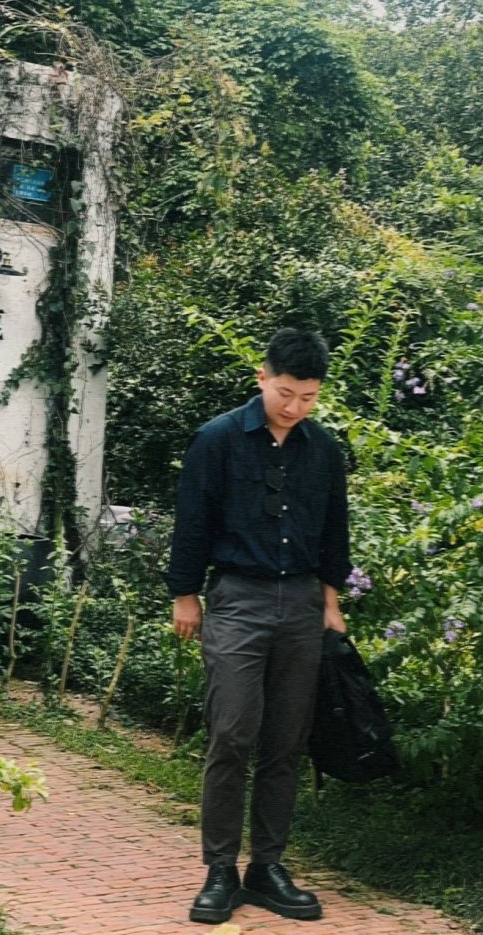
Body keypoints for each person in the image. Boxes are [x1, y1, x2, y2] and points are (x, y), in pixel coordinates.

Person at [166, 327, 351, 924]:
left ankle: (267, 867)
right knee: (232, 733)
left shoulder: (324, 450)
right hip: (237, 599)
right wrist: (185, 596)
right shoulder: (216, 440)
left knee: (285, 742)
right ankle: (220, 870)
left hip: (301, 603)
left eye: (308, 398)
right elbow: (192, 522)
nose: (295, 407)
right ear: (262, 378)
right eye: (286, 393)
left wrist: (330, 601)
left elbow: (335, 530)